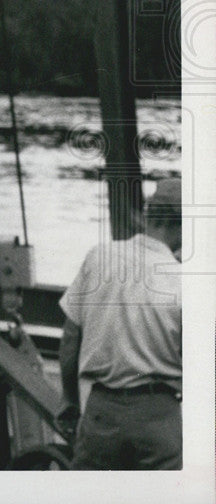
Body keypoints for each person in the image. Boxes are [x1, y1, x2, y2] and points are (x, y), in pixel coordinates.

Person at [57, 177, 182, 470]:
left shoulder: (98, 257)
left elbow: (70, 340)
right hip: (159, 419)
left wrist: (69, 400)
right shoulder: (183, 281)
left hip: (102, 413)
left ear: (149, 215)